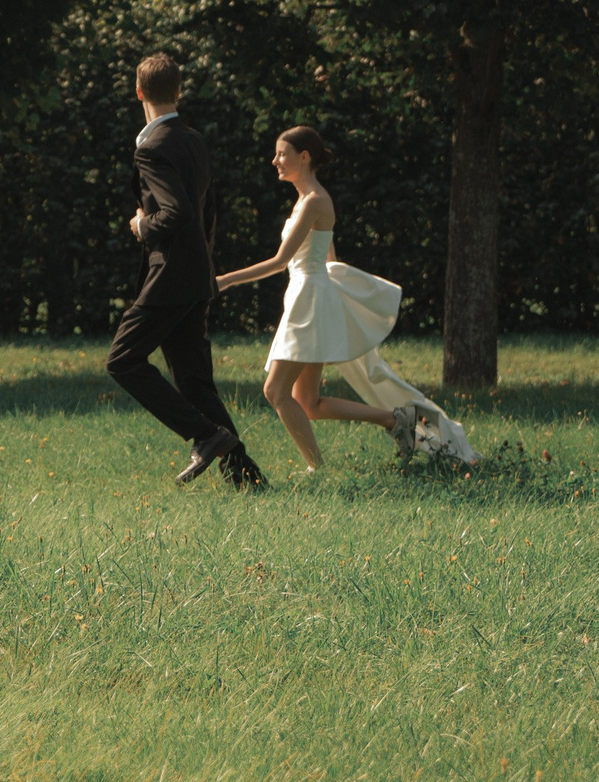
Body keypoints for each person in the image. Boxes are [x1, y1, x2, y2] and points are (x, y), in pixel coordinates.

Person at [216, 125, 420, 474]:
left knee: (276, 391)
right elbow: (330, 258)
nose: (274, 160)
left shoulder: (314, 201)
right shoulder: (306, 200)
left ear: (304, 156)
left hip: (307, 299)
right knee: (307, 403)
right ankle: (395, 420)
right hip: (307, 295)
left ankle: (317, 468)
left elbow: (282, 261)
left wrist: (225, 280)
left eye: (282, 153)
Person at [104, 53, 266, 487]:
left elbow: (175, 213)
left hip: (172, 274)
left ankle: (204, 434)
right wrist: (204, 263)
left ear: (139, 92)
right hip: (196, 274)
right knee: (195, 381)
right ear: (178, 91)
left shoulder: (152, 148)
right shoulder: (193, 139)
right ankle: (247, 477)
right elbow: (206, 211)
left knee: (123, 360)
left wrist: (142, 226)